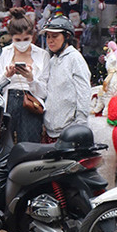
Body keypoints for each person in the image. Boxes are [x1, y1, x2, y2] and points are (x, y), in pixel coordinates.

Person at [0, 7, 48, 143]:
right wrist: (6, 77)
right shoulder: (3, 53)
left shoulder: (42, 55)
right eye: (18, 39)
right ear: (11, 37)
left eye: (26, 39)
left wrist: (31, 78)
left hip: (31, 104)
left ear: (32, 36)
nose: (22, 43)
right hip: (7, 101)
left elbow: (44, 92)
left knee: (29, 147)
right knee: (4, 146)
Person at [39, 14, 91, 142]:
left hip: (69, 132)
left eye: (55, 36)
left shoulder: (75, 58)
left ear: (67, 37)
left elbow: (84, 92)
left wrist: (80, 124)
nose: (50, 40)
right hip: (50, 131)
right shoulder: (51, 61)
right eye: (48, 36)